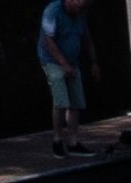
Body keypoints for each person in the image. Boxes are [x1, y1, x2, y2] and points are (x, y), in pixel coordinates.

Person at [37, 0, 99, 158]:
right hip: (52, 60)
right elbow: (48, 41)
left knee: (76, 102)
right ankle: (57, 140)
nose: (81, 7)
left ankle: (73, 142)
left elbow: (87, 37)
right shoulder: (53, 11)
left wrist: (93, 61)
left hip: (73, 60)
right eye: (80, 4)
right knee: (61, 101)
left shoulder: (80, 14)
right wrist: (63, 64)